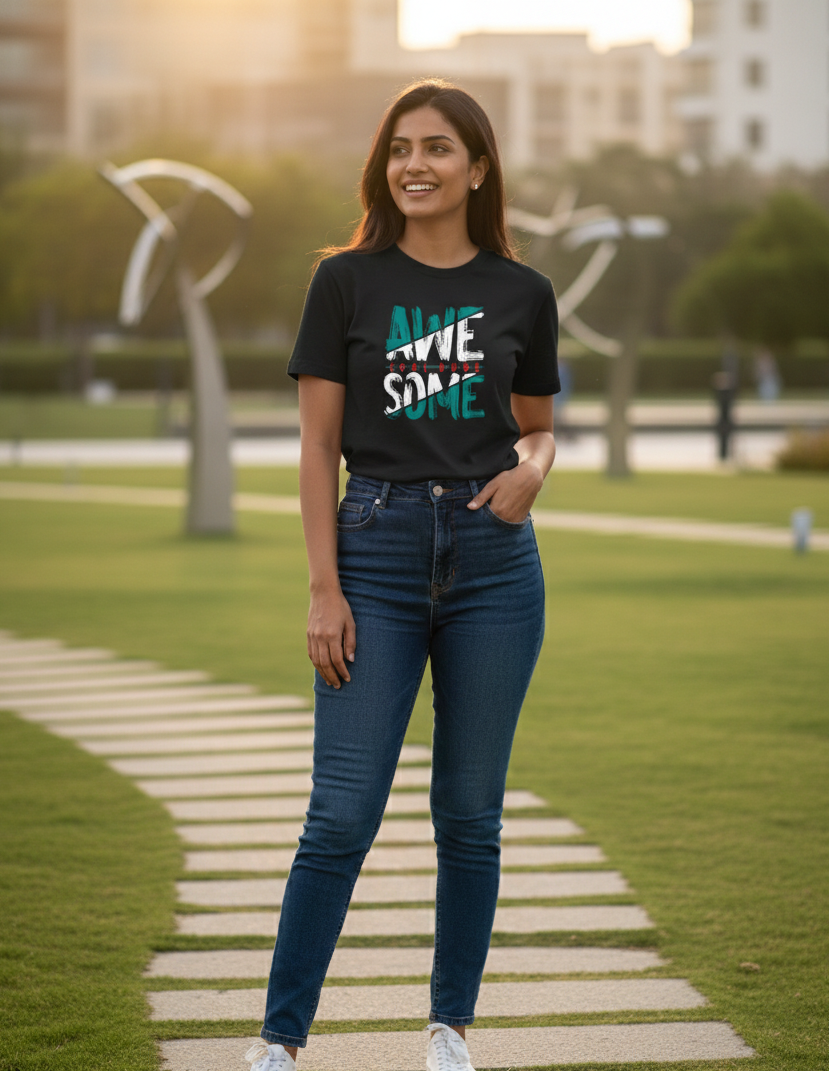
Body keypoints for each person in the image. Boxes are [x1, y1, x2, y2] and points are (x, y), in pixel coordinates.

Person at [245, 78, 559, 1071]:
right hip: (372, 548)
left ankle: (447, 1030)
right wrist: (322, 587)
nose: (412, 164)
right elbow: (314, 447)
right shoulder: (345, 280)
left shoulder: (524, 291)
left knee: (468, 813)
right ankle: (279, 1042)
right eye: (397, 148)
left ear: (476, 167)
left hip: (492, 564)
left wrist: (529, 475)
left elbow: (542, 431)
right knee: (338, 813)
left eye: (434, 148)